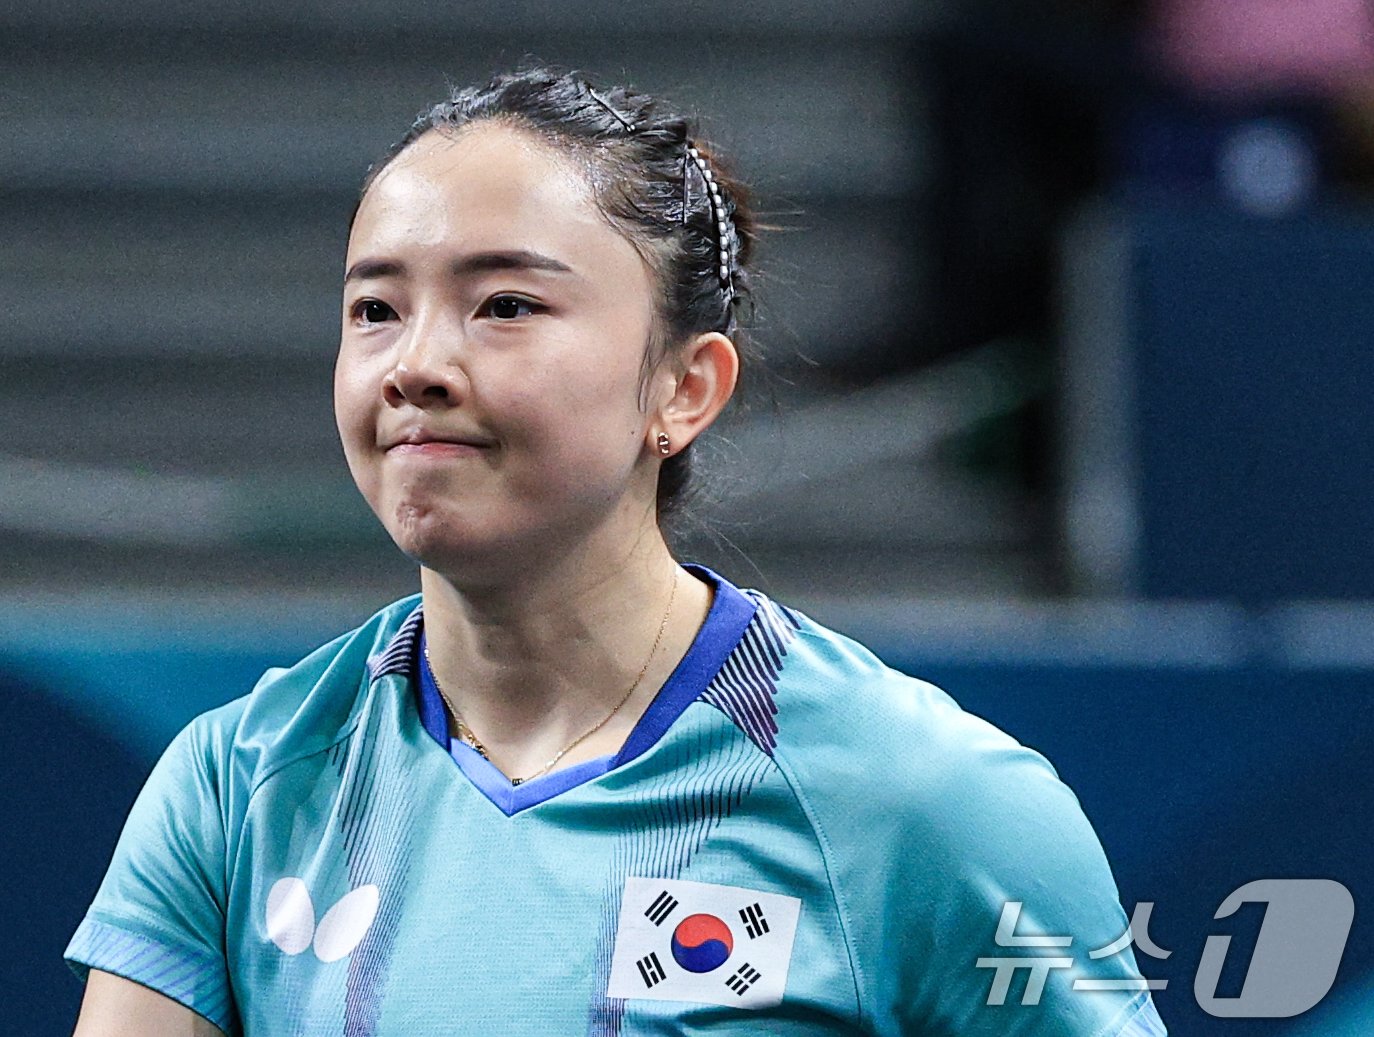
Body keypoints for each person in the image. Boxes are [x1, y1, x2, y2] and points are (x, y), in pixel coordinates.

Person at [66, 66, 1167, 1036]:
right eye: (375, 309)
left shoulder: (924, 802)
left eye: (503, 304)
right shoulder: (236, 783)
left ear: (683, 389)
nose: (415, 363)